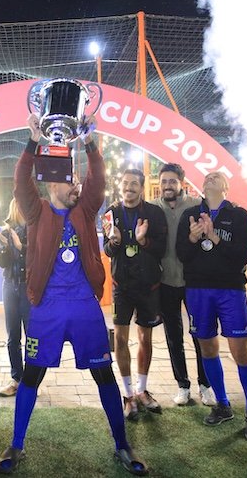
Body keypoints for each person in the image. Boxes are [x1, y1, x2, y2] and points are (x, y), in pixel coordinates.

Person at [0, 114, 147, 476]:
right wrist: (33, 140)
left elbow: (98, 178)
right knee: (32, 376)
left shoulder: (85, 209)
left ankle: (122, 444)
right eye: (70, 181)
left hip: (84, 308)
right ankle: (16, 445)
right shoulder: (36, 211)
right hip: (46, 308)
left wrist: (91, 142)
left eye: (77, 181)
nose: (77, 185)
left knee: (103, 375)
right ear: (53, 185)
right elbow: (20, 180)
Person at [176, 171, 247, 441]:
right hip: (198, 290)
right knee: (207, 348)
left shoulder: (239, 216)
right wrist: (193, 239)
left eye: (217, 176)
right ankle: (223, 404)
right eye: (208, 177)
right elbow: (181, 254)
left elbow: (242, 256)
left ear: (226, 186)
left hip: (230, 290)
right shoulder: (190, 215)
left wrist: (215, 237)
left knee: (241, 352)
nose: (210, 178)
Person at [103, 168, 167, 421]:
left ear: (141, 188)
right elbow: (107, 251)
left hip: (148, 286)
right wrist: (116, 242)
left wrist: (143, 241)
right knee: (120, 340)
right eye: (125, 183)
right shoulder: (111, 213)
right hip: (121, 286)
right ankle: (128, 394)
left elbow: (162, 249)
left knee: (145, 339)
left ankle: (142, 389)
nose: (128, 187)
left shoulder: (154, 213)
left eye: (133, 184)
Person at [149, 163, 216, 406]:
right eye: (164, 181)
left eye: (172, 181)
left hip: (193, 281)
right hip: (165, 281)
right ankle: (182, 385)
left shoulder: (197, 206)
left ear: (181, 183)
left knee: (200, 334)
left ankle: (205, 385)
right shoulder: (152, 208)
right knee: (173, 335)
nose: (167, 185)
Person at [0, 198, 30, 397]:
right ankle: (16, 379)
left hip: (28, 287)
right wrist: (5, 247)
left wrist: (19, 245)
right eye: (17, 204)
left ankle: (31, 380)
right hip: (9, 285)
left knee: (32, 336)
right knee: (12, 336)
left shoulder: (35, 228)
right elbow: (2, 262)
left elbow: (37, 257)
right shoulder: (6, 231)